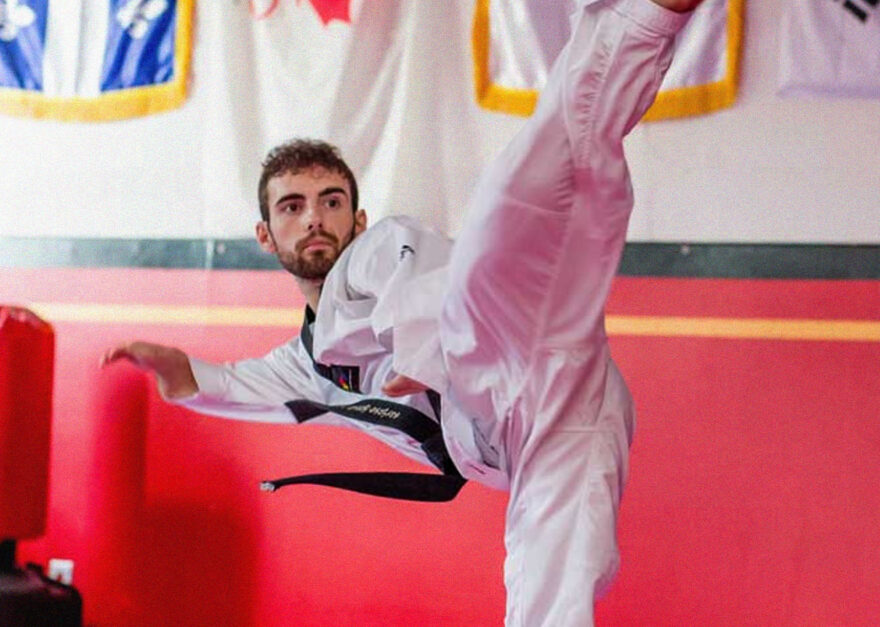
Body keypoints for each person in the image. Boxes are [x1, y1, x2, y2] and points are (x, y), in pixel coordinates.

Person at [103, 0, 704, 624]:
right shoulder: (308, 365)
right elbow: (240, 386)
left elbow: (415, 281)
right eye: (292, 207)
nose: (314, 217)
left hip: (502, 343)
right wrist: (181, 374)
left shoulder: (377, 249)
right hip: (540, 435)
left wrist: (426, 354)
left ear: (355, 219)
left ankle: (649, 16)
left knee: (527, 182)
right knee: (546, 598)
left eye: (331, 201)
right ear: (265, 235)